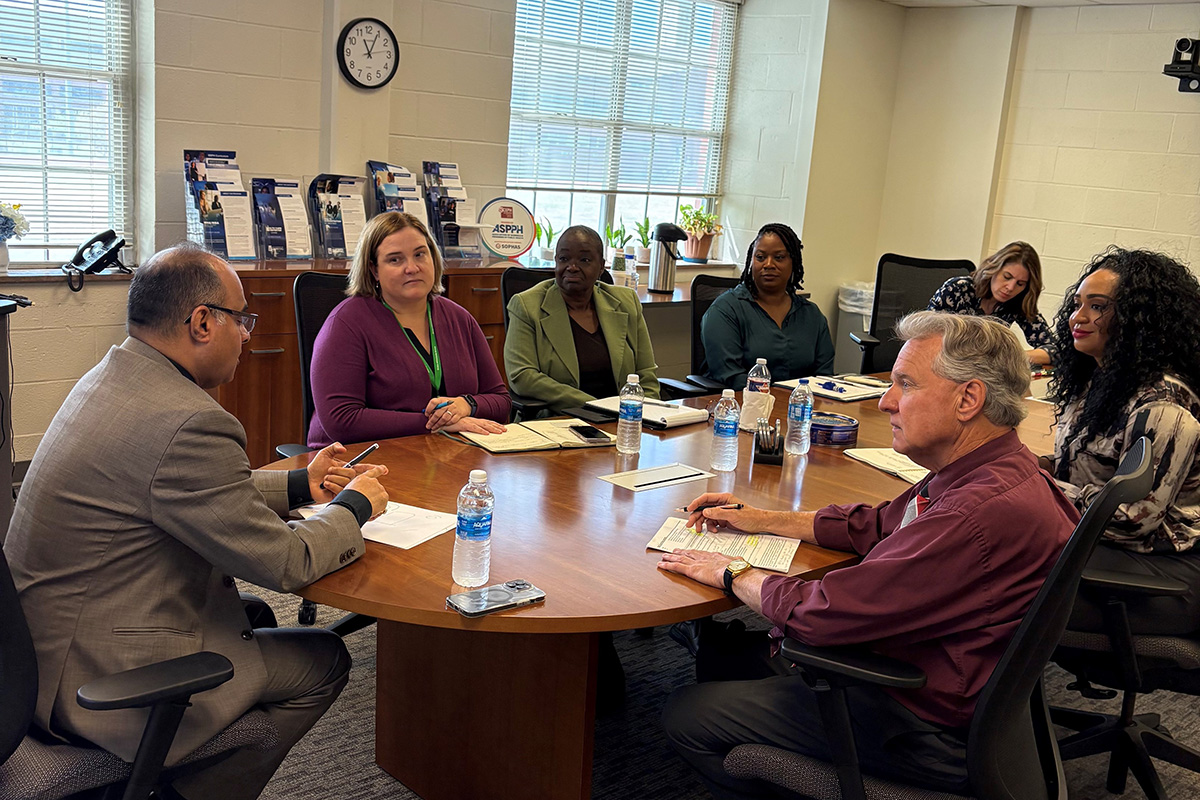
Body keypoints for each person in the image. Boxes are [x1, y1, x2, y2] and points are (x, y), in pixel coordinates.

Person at [2, 243, 390, 800]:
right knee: (323, 659)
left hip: (42, 652)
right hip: (95, 681)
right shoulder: (189, 420)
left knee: (246, 614)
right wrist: (354, 505)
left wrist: (302, 484)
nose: (249, 335)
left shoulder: (116, 376)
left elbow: (172, 487)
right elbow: (285, 561)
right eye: (242, 319)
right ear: (203, 322)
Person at [658, 312, 1078, 798]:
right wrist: (756, 518)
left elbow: (823, 614)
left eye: (905, 384)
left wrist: (732, 571)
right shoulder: (994, 469)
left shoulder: (972, 514)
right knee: (727, 656)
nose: (886, 401)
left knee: (685, 713)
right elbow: (876, 523)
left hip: (919, 720)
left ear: (968, 398)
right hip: (954, 684)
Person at [1043, 247, 1200, 635]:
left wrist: (1040, 487)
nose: (1078, 317)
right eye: (1077, 304)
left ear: (1138, 319)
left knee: (1001, 577)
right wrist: (1029, 466)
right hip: (1113, 554)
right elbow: (1087, 468)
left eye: (1097, 307)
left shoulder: (1164, 406)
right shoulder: (1101, 381)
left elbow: (1134, 520)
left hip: (1167, 575)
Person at [308, 211, 510, 447]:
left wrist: (468, 404)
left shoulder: (459, 318)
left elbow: (501, 401)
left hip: (445, 454)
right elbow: (342, 421)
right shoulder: (345, 324)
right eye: (395, 259)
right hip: (358, 460)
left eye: (419, 255)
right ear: (373, 269)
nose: (412, 267)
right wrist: (434, 425)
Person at [504, 225, 660, 412]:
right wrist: (596, 407)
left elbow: (646, 374)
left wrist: (647, 417)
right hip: (559, 420)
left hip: (624, 420)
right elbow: (522, 377)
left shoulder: (626, 302)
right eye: (564, 259)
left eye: (584, 260)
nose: (572, 267)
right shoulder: (526, 306)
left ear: (601, 266)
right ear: (556, 262)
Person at [700, 222, 833, 388]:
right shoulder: (725, 310)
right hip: (743, 406)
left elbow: (824, 376)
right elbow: (730, 376)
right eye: (760, 257)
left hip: (801, 408)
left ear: (794, 263)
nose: (768, 264)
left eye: (779, 257)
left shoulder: (812, 315)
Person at [927, 241, 1052, 365]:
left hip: (984, 371)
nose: (1010, 287)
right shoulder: (957, 289)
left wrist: (1015, 357)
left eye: (1020, 284)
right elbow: (926, 336)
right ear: (993, 269)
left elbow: (1055, 349)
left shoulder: (1017, 302)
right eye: (1007, 277)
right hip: (944, 364)